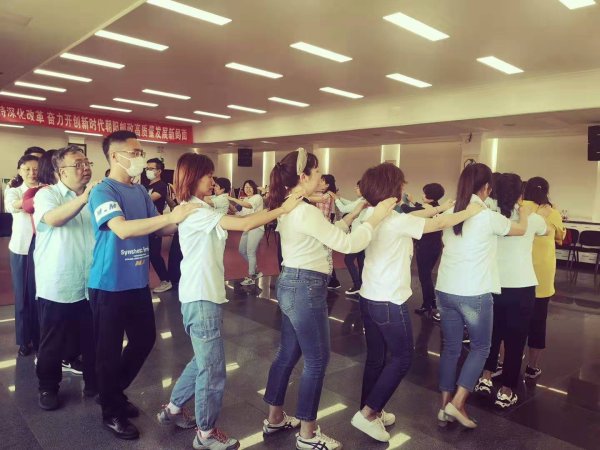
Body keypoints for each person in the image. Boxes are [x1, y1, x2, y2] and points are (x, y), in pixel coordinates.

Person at [157, 153, 304, 450]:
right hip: (201, 298)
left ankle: (172, 409)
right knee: (212, 370)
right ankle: (206, 434)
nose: (212, 180)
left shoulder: (199, 207)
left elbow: (236, 213)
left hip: (200, 296)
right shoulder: (195, 212)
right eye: (207, 175)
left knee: (202, 361)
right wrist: (282, 208)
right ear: (192, 178)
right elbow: (246, 223)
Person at [262, 148, 396, 450]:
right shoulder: (305, 211)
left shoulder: (291, 206)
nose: (321, 177)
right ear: (303, 176)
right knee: (317, 359)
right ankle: (308, 434)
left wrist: (354, 214)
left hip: (291, 282)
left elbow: (328, 234)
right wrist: (373, 220)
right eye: (318, 172)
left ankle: (275, 418)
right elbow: (347, 245)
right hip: (305, 288)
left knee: (287, 353)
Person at [352, 164, 482, 442]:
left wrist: (440, 208)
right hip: (389, 300)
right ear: (391, 188)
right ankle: (369, 414)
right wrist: (470, 211)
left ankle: (371, 408)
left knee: (376, 358)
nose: (404, 188)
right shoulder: (396, 222)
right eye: (401, 184)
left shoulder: (370, 216)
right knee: (402, 358)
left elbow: (414, 216)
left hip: (369, 297)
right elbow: (438, 225)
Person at [87, 131, 199, 440]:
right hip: (108, 284)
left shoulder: (139, 191)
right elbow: (121, 229)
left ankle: (111, 391)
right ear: (115, 156)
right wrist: (170, 217)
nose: (141, 158)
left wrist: (189, 215)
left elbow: (161, 227)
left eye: (140, 152)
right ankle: (111, 411)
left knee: (144, 339)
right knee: (108, 351)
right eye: (134, 153)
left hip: (137, 282)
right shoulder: (103, 191)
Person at [435, 163, 530, 429]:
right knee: (480, 347)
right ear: (487, 187)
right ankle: (458, 403)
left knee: (451, 348)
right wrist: (523, 212)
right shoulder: (488, 216)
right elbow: (521, 229)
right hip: (473, 293)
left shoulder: (451, 212)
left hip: (445, 289)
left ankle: (444, 406)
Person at [475, 173, 548, 409]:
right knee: (516, 341)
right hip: (521, 287)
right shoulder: (532, 219)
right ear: (520, 194)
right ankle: (506, 392)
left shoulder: (488, 215)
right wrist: (530, 211)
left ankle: (485, 378)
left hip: (492, 285)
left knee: (491, 335)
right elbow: (546, 230)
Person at [33, 146, 98, 410]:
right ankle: (48, 387)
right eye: (78, 164)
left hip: (91, 281)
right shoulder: (47, 194)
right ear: (61, 172)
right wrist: (84, 198)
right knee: (53, 340)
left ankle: (95, 382)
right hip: (59, 281)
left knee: (93, 338)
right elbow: (53, 219)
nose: (85, 168)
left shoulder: (95, 197)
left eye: (87, 162)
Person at [522, 177, 566, 380]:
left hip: (519, 273)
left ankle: (505, 362)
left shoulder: (518, 208)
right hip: (543, 274)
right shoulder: (552, 211)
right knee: (538, 321)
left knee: (510, 321)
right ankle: (532, 367)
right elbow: (560, 238)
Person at [5, 154, 40, 357]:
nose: (32, 173)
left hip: (43, 247)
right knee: (23, 295)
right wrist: (33, 199)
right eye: (27, 169)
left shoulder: (47, 189)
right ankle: (24, 340)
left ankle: (39, 336)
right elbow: (12, 206)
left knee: (40, 294)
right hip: (22, 248)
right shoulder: (13, 190)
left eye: (35, 169)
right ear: (20, 170)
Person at [401, 183, 446, 321]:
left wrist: (401, 201)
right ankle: (428, 304)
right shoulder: (437, 207)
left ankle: (431, 305)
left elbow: (408, 210)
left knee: (424, 277)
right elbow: (420, 207)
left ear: (429, 196)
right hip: (435, 247)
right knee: (426, 276)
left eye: (424, 193)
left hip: (425, 247)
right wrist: (412, 201)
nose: (422, 195)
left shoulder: (426, 208)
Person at [331, 181, 366, 295]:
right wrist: (339, 198)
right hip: (361, 236)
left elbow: (344, 209)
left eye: (358, 187)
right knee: (360, 260)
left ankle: (357, 285)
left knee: (348, 259)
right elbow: (351, 203)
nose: (355, 188)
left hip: (358, 237)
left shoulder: (363, 201)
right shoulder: (362, 200)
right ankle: (361, 285)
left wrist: (336, 199)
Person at [307, 174, 341, 289]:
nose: (319, 182)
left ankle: (332, 281)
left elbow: (309, 196)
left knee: (326, 254)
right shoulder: (323, 194)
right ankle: (331, 280)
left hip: (325, 227)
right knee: (323, 253)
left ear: (327, 185)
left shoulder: (327, 195)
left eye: (322, 181)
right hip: (321, 226)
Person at [228, 179, 265, 286]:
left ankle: (251, 277)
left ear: (254, 188)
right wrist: (227, 202)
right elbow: (237, 212)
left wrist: (232, 198)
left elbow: (249, 205)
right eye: (245, 187)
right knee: (242, 250)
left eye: (250, 187)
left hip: (256, 227)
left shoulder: (257, 197)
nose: (247, 189)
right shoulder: (244, 199)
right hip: (247, 227)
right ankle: (255, 270)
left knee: (250, 252)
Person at [144, 158, 172, 294]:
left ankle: (166, 280)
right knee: (146, 254)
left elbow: (148, 200)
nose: (148, 171)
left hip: (155, 224)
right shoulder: (146, 186)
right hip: (145, 224)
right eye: (147, 168)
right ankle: (145, 282)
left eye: (151, 168)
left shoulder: (161, 185)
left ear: (159, 171)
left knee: (154, 254)